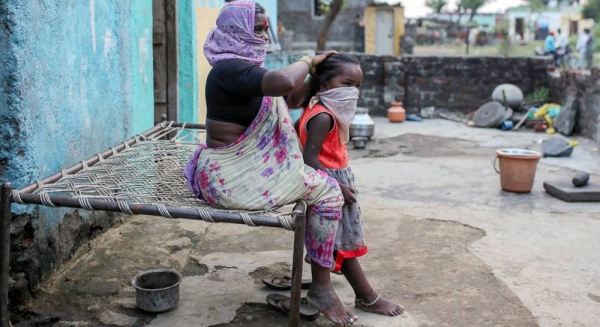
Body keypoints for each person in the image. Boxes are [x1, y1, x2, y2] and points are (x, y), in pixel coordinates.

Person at [183, 1, 357, 325]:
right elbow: (285, 84)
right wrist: (308, 59)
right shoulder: (228, 69)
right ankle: (321, 287)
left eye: (266, 29)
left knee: (327, 188)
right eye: (257, 29)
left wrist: (316, 76)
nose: (264, 37)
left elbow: (290, 99)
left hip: (246, 170)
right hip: (231, 177)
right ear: (236, 31)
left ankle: (318, 275)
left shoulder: (250, 70)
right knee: (330, 194)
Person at [296, 53, 404, 318]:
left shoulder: (317, 109)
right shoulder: (323, 117)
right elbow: (310, 158)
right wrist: (338, 187)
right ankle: (367, 297)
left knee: (334, 242)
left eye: (356, 86)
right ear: (324, 86)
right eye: (346, 84)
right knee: (342, 244)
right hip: (329, 187)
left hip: (328, 184)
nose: (353, 92)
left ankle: (361, 294)